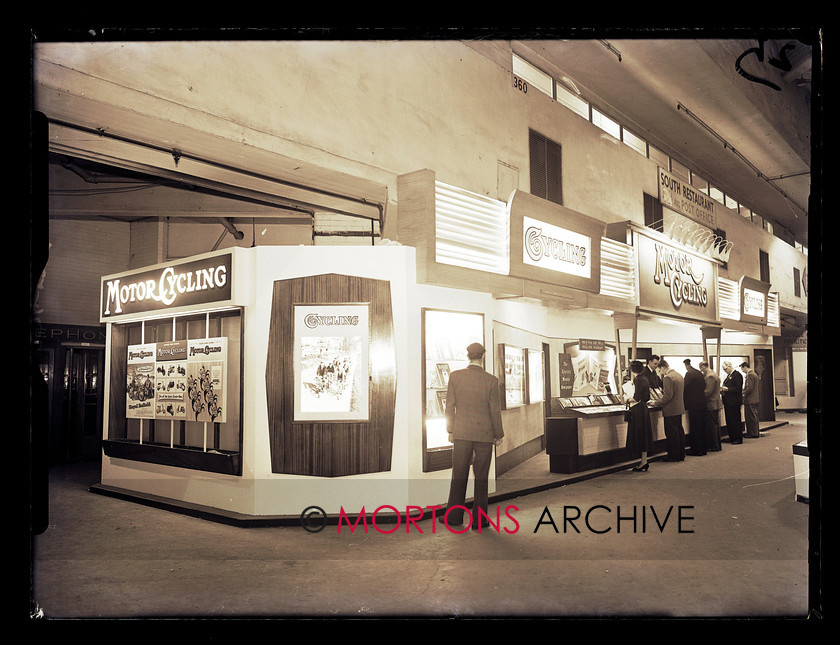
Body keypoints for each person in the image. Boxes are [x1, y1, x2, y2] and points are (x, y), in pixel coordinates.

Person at [442, 342, 504, 531]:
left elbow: (450, 406)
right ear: (483, 356)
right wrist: (498, 434)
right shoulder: (491, 381)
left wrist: (450, 430)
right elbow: (494, 410)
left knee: (459, 474)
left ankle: (454, 517)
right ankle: (479, 521)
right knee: (482, 476)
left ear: (468, 356)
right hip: (484, 434)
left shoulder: (455, 377)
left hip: (461, 433)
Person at [625, 361, 654, 471]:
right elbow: (645, 397)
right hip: (644, 409)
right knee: (644, 434)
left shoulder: (637, 380)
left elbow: (636, 398)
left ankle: (643, 462)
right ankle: (644, 460)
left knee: (639, 434)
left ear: (632, 370)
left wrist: (627, 398)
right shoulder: (645, 379)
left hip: (637, 409)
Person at [657, 359, 686, 461]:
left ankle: (673, 455)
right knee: (679, 431)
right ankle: (681, 454)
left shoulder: (668, 378)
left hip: (670, 410)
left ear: (663, 368)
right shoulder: (679, 375)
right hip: (679, 408)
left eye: (660, 371)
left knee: (671, 434)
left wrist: (657, 402)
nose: (661, 373)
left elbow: (668, 396)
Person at [683, 359, 707, 456]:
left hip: (694, 404)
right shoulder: (699, 373)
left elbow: (685, 388)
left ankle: (696, 450)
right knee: (701, 427)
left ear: (686, 365)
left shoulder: (689, 374)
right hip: (702, 403)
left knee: (695, 427)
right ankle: (703, 449)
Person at [700, 361, 723, 451]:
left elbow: (708, 391)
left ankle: (714, 445)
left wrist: (699, 395)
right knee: (715, 425)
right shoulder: (714, 374)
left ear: (703, 367)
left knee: (712, 426)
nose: (701, 371)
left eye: (701, 369)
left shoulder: (710, 376)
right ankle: (717, 445)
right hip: (715, 403)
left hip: (711, 403)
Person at [721, 361, 744, 444]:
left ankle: (737, 438)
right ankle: (732, 437)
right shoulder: (729, 376)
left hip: (734, 402)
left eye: (725, 369)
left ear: (729, 366)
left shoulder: (737, 375)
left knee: (735, 421)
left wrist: (727, 389)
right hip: (728, 402)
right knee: (730, 421)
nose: (724, 371)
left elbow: (738, 389)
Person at [741, 361, 761, 438]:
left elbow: (749, 388)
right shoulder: (754, 374)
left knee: (750, 417)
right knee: (754, 416)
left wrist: (743, 394)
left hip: (750, 400)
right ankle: (755, 432)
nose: (742, 371)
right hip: (754, 399)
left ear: (745, 367)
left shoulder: (750, 375)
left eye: (742, 369)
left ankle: (752, 433)